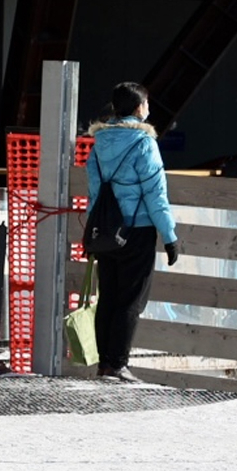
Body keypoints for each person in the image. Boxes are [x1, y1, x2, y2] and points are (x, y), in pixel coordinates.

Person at [84, 82, 179, 383]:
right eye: (147, 104)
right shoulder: (143, 143)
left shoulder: (99, 143)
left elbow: (95, 193)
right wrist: (170, 235)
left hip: (106, 231)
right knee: (131, 300)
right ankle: (118, 364)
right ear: (139, 108)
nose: (148, 109)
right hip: (137, 230)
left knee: (109, 297)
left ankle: (104, 364)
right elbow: (156, 195)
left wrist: (91, 231)